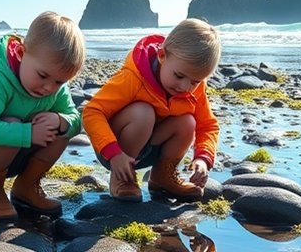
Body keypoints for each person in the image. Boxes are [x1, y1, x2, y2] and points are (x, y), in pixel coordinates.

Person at [0, 12, 84, 220]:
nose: (49, 87)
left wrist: (61, 121)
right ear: (21, 52)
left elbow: (75, 120)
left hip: (15, 152)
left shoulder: (55, 88)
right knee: (11, 123)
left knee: (59, 129)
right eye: (42, 75)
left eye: (59, 82)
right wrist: (28, 133)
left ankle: (27, 187)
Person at [82, 18, 221, 202]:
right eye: (179, 76)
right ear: (162, 55)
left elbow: (208, 125)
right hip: (114, 149)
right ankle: (122, 179)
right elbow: (92, 112)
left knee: (188, 122)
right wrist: (114, 154)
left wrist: (203, 158)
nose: (185, 87)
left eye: (195, 81)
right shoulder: (134, 78)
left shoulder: (193, 89)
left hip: (150, 148)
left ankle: (162, 177)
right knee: (143, 113)